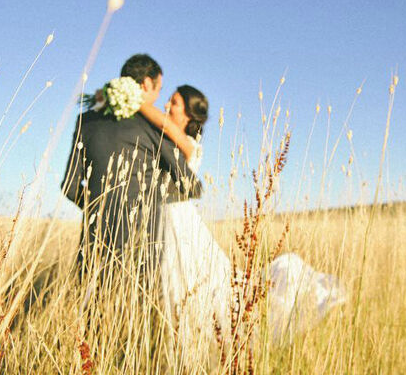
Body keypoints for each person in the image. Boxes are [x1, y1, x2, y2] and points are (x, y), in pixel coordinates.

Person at [138, 85, 347, 358]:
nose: (167, 105)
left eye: (174, 102)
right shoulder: (164, 139)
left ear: (189, 116)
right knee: (173, 286)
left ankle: (192, 351)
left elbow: (166, 124)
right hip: (163, 221)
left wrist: (137, 101)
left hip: (180, 223)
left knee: (187, 285)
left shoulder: (190, 145)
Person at [61, 54, 202, 286]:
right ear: (147, 84)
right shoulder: (154, 127)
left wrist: (99, 206)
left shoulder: (85, 121)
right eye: (159, 89)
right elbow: (191, 186)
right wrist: (147, 200)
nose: (159, 98)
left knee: (91, 313)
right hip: (141, 246)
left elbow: (69, 186)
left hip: (93, 241)